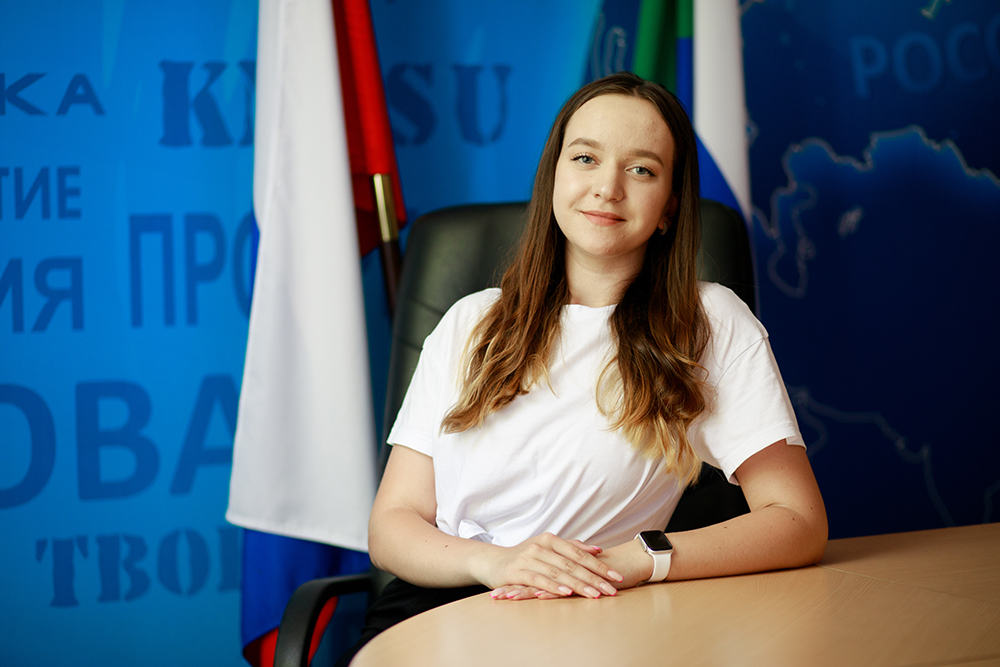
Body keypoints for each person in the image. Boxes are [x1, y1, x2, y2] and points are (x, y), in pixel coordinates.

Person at [339, 71, 827, 663]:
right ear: (554, 177)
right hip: (439, 603)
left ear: (670, 206)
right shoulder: (470, 321)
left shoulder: (708, 322)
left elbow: (797, 518)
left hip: (594, 607)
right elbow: (393, 524)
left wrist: (639, 559)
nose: (607, 188)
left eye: (641, 169)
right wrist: (494, 563)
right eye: (586, 158)